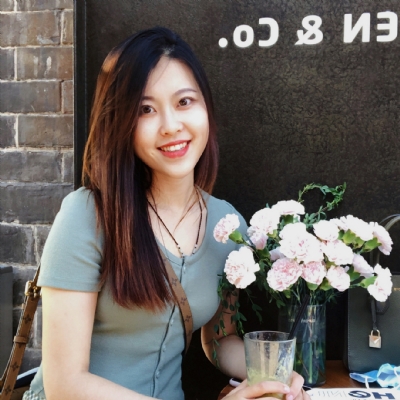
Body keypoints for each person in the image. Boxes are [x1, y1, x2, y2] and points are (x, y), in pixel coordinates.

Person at [23, 27, 308, 400]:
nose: (171, 125)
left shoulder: (226, 226)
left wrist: (276, 376)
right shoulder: (86, 216)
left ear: (206, 107)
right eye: (146, 109)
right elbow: (65, 384)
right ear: (121, 122)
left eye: (184, 101)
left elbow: (219, 339)